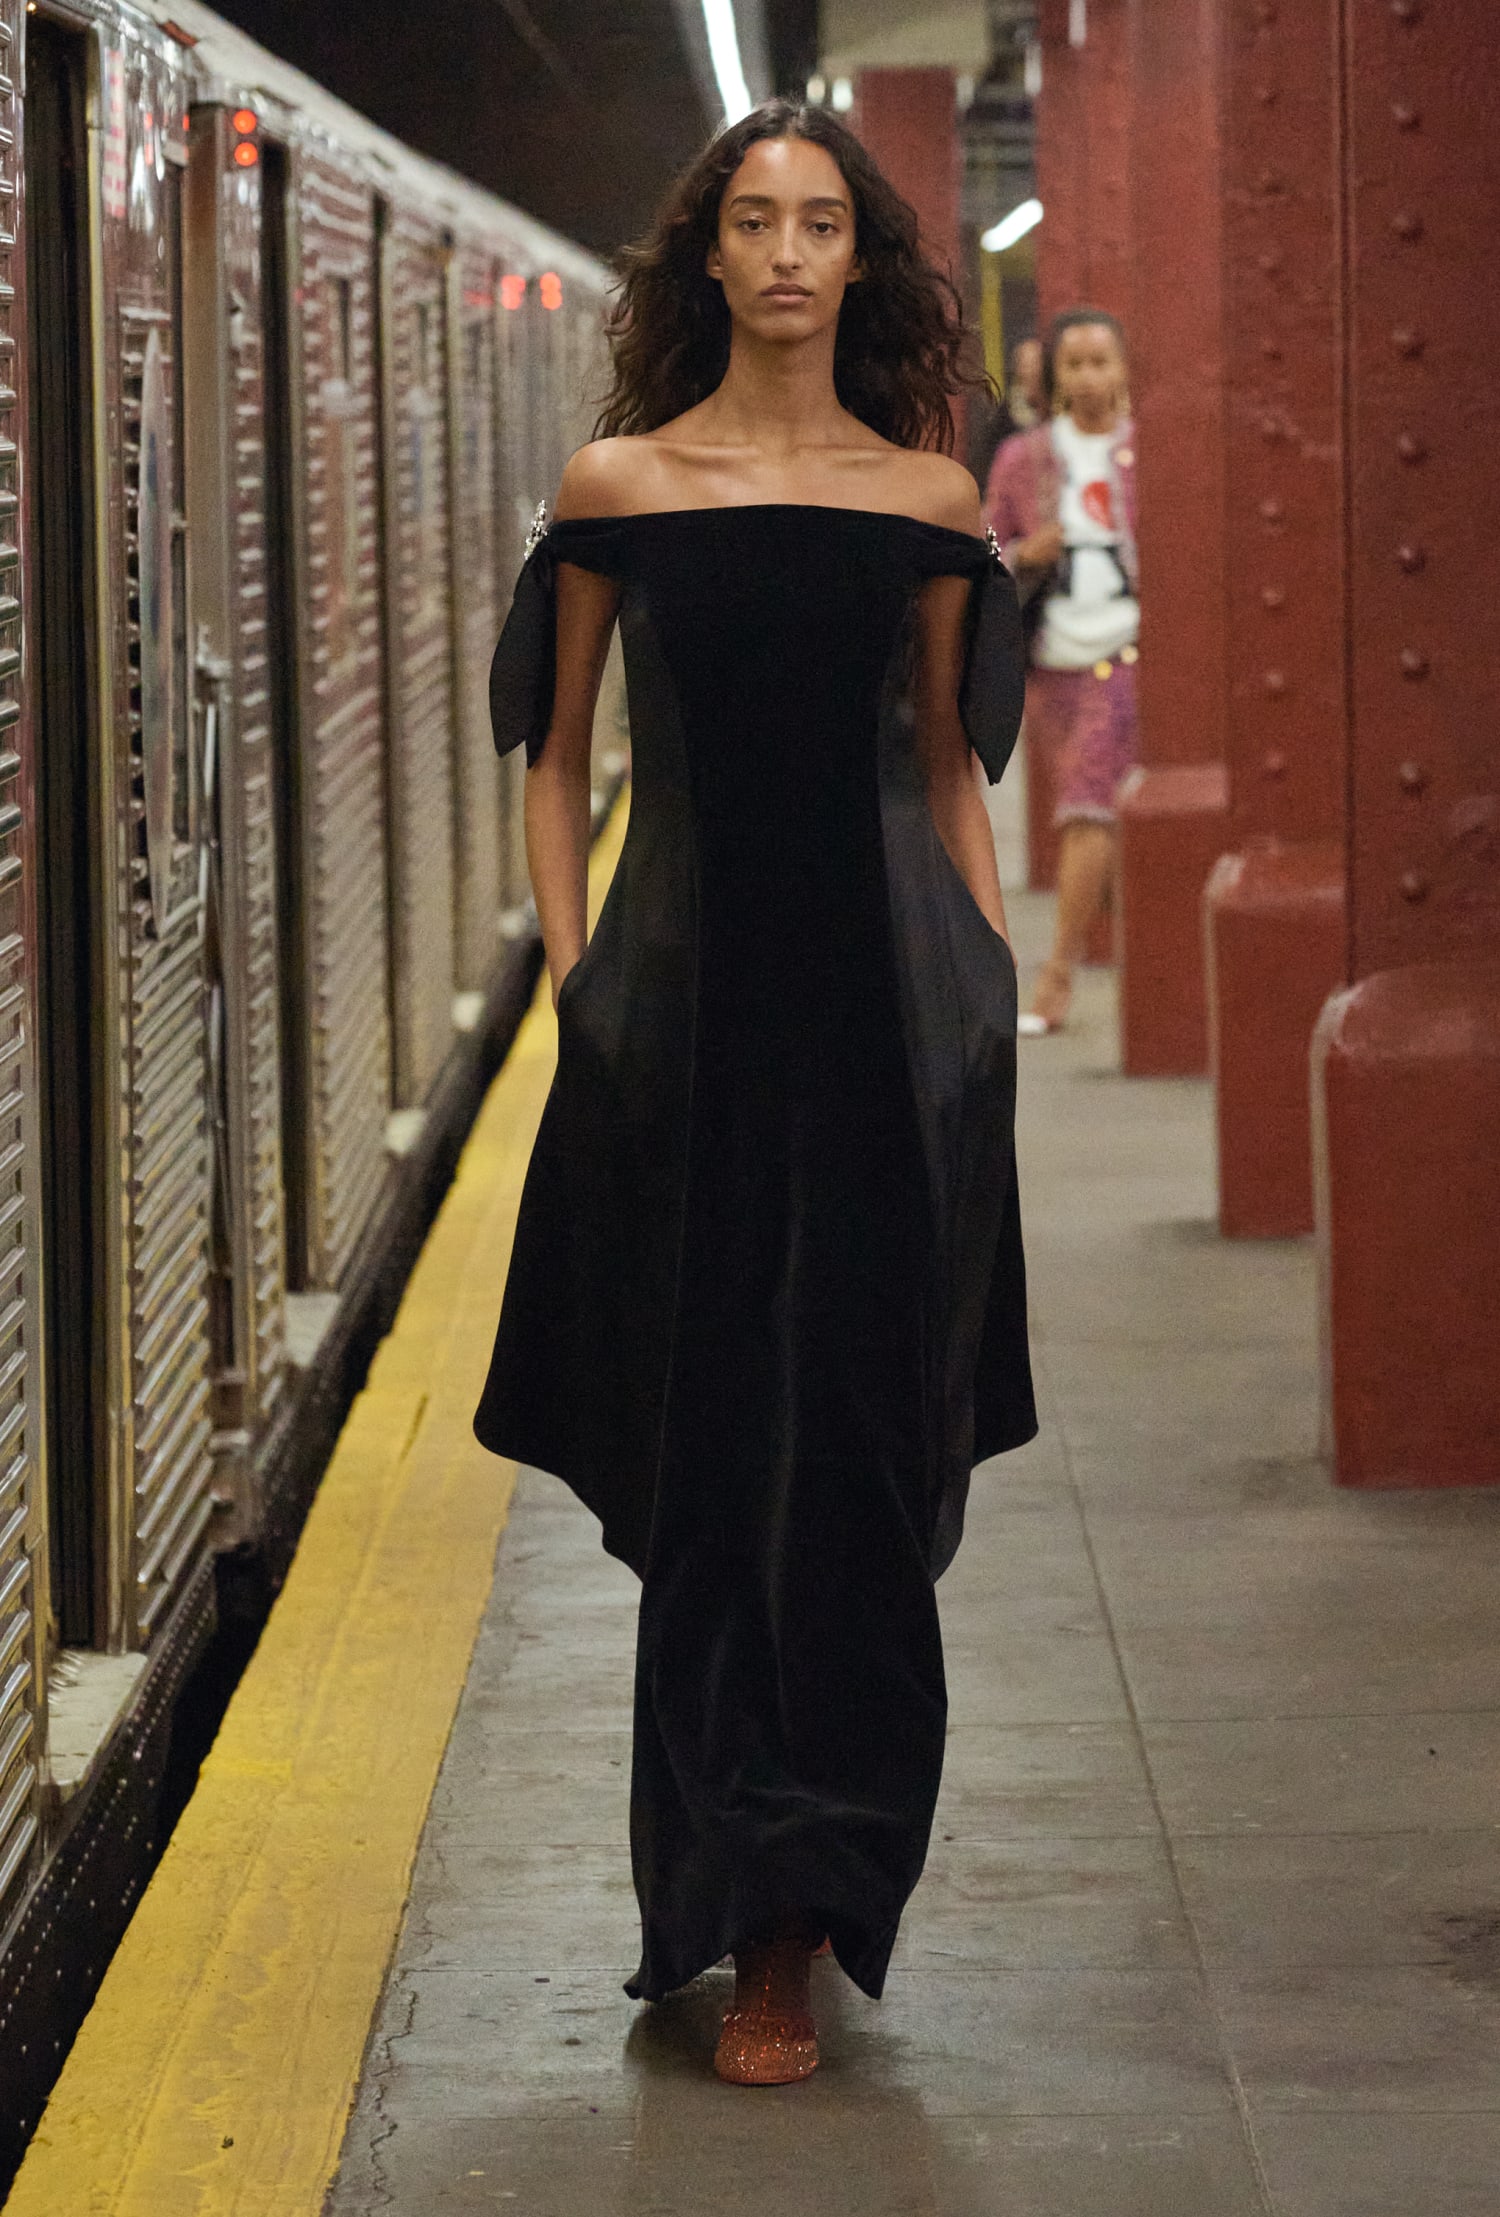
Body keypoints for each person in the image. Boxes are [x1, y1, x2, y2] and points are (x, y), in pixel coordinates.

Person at [474, 99, 1037, 2087]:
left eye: (820, 223)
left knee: (860, 1468)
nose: (788, 252)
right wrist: (579, 981)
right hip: (689, 1029)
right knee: (719, 1459)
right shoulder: (619, 487)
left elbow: (950, 772)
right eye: (754, 221)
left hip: (890, 1027)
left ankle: (810, 1903)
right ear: (705, 257)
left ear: (859, 259)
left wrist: (990, 1006)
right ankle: (732, 1895)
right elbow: (557, 755)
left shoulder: (929, 500)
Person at [985, 309, 1138, 1033]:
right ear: (1053, 376)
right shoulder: (1025, 457)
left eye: (1101, 361)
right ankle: (1140, 957)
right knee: (1096, 817)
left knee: (1087, 804)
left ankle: (1057, 978)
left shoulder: (1148, 450)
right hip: (1053, 657)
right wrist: (1025, 553)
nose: (1088, 377)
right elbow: (985, 545)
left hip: (1127, 648)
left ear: (1125, 368)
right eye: (1074, 363)